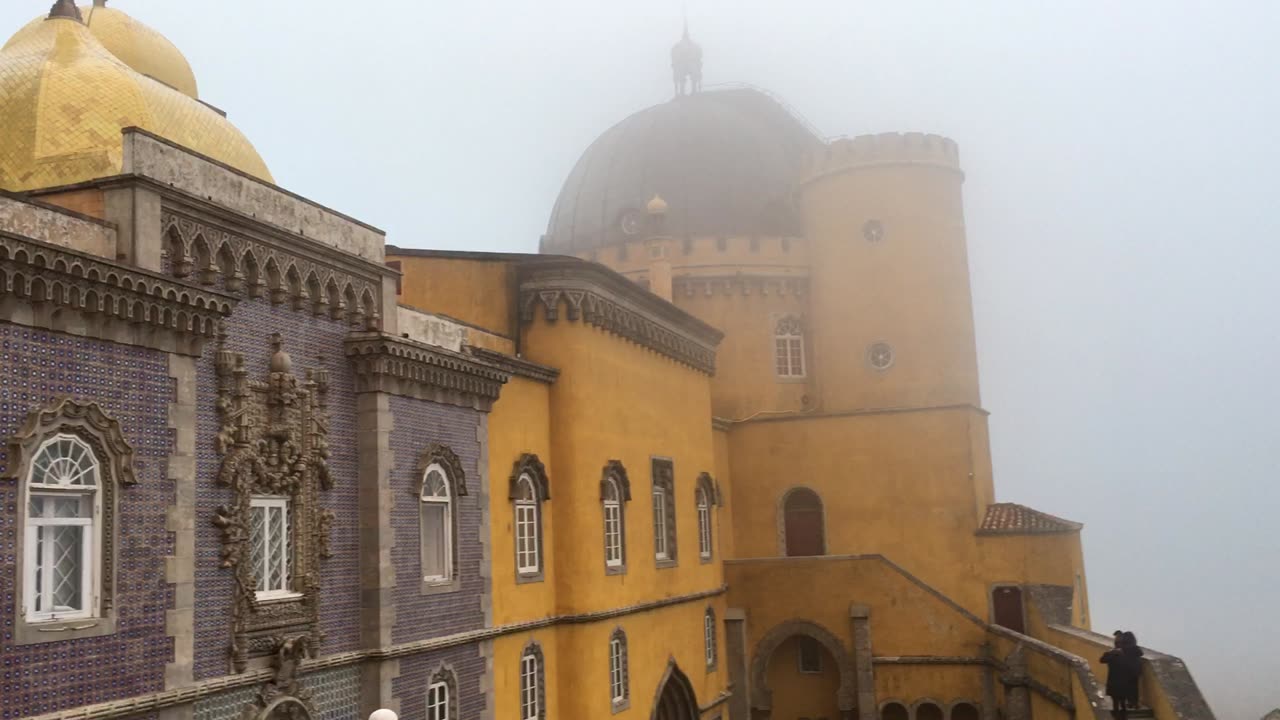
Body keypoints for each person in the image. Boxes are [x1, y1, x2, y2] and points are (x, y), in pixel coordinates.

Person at [1101, 630, 1144, 719]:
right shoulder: (1130, 652)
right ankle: (1130, 707)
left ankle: (1122, 714)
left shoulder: (1119, 653)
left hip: (1116, 681)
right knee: (1121, 702)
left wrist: (1114, 653)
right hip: (1122, 681)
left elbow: (1103, 660)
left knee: (1118, 703)